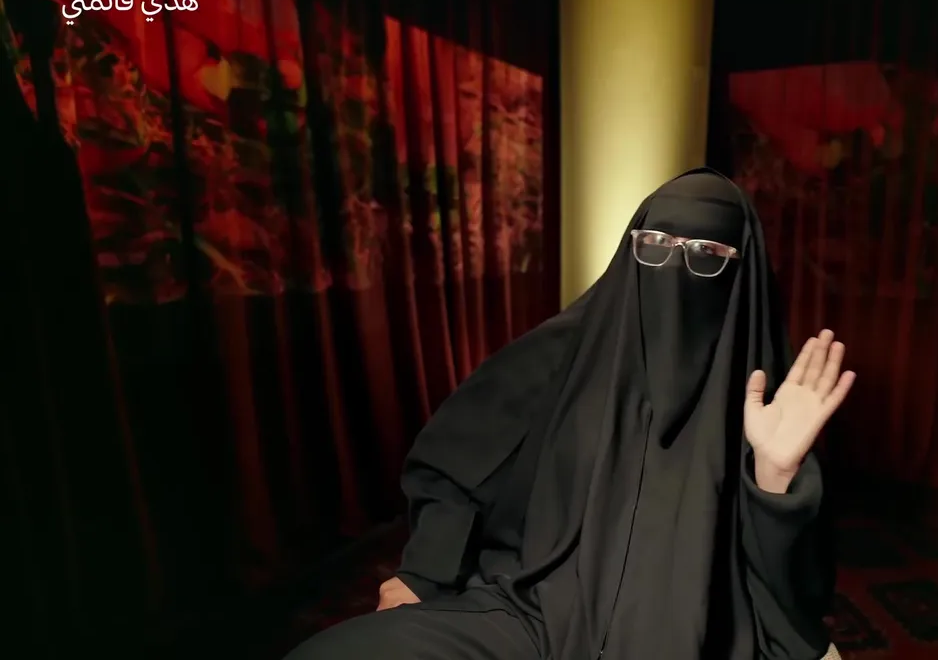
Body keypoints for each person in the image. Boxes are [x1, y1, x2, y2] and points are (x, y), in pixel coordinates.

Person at [285, 169, 856, 660]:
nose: (674, 267)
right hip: (534, 611)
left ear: (741, 270)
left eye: (707, 254)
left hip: (688, 634)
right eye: (655, 243)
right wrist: (425, 569)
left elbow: (791, 601)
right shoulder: (563, 354)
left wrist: (774, 481)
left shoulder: (767, 400)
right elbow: (457, 464)